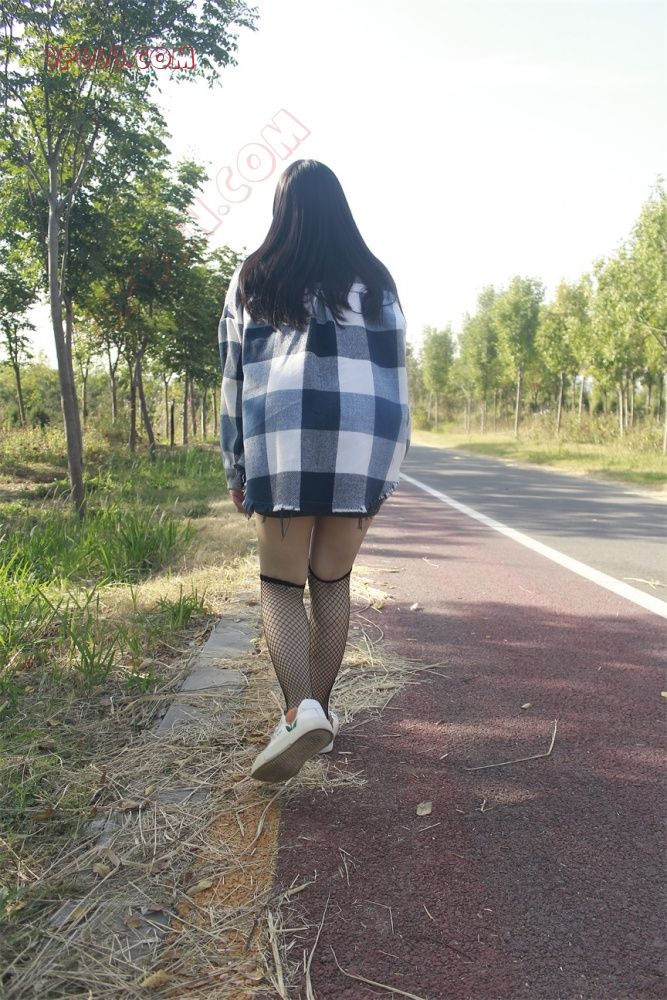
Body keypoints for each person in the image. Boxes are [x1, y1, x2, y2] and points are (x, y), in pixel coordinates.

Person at [218, 159, 411, 783]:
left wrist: (235, 464)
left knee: (281, 586)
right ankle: (318, 712)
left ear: (283, 211)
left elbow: (233, 375)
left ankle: (297, 714)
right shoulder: (376, 282)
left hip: (283, 440)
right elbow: (397, 379)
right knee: (331, 582)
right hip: (361, 446)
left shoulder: (255, 277)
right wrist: (390, 466)